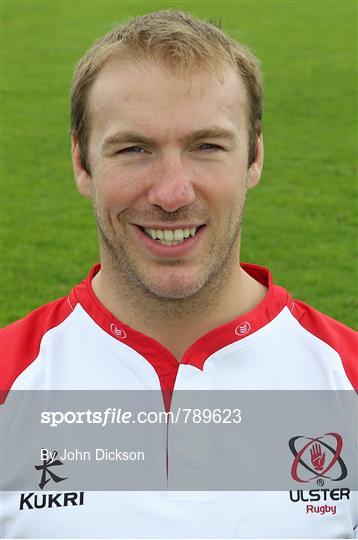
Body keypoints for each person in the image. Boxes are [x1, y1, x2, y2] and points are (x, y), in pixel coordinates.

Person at [1, 9, 357, 539]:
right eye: (134, 149)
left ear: (254, 158)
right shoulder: (11, 383)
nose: (172, 193)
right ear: (82, 163)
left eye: (207, 147)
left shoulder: (345, 377)